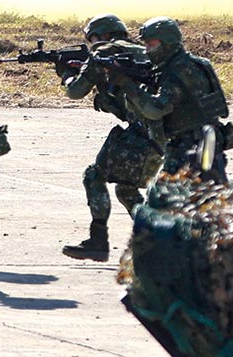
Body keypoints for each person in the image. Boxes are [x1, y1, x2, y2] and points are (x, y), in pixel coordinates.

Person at [57, 14, 163, 262]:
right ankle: (156, 238)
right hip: (160, 134)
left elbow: (75, 92)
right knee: (126, 189)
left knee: (94, 175)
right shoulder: (143, 51)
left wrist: (66, 75)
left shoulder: (104, 53)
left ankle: (98, 241)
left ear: (102, 36)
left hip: (141, 133)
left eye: (93, 38)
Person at [112, 17, 232, 183]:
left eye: (152, 45)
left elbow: (156, 110)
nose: (147, 50)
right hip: (182, 146)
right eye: (145, 45)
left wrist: (128, 85)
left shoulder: (183, 69)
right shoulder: (169, 67)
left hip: (198, 147)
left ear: (168, 43)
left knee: (207, 200)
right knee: (162, 201)